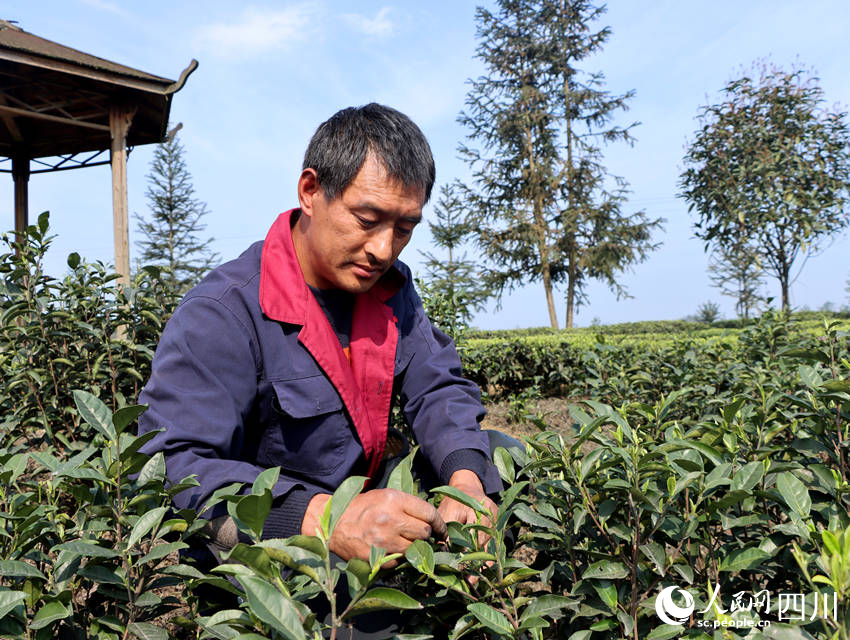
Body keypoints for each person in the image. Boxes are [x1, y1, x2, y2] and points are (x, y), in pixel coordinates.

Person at [137, 103, 506, 629]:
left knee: (499, 459)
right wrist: (326, 519)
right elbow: (172, 464)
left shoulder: (389, 290)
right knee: (359, 622)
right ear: (310, 191)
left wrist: (465, 482)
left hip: (367, 512)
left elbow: (438, 386)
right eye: (367, 219)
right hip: (273, 540)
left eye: (404, 228)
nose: (383, 249)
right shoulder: (224, 312)